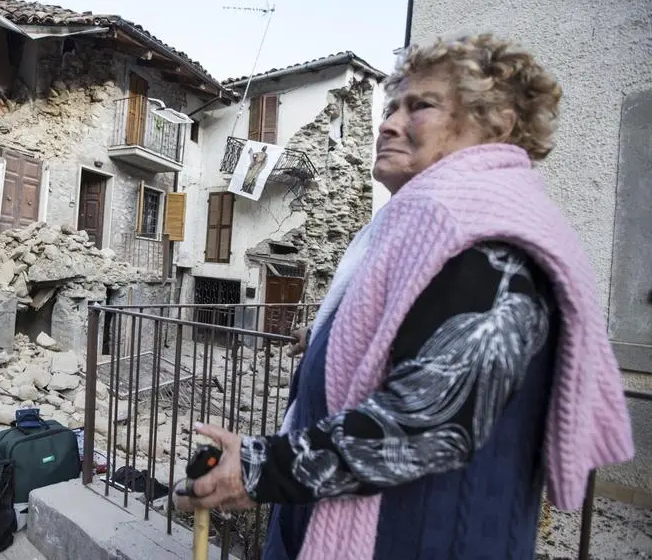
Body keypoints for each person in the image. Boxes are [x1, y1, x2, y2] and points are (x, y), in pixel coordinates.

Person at [175, 34, 635, 560]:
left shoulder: (486, 241)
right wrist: (330, 338)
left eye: (420, 106)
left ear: (498, 125)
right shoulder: (434, 225)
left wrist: (257, 470)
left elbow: (430, 422)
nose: (388, 123)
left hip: (418, 537)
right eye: (392, 106)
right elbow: (424, 329)